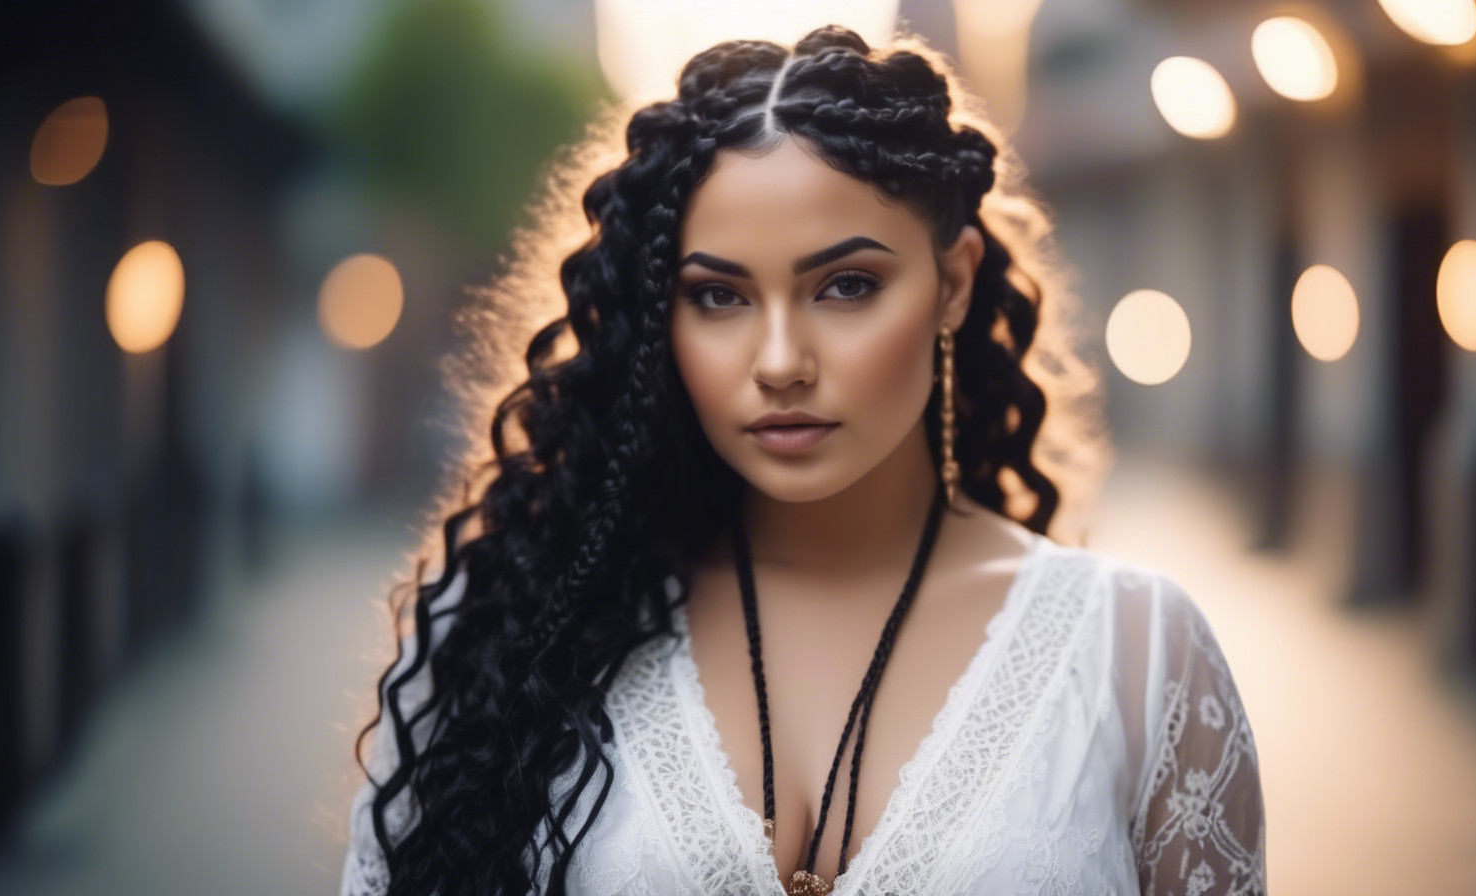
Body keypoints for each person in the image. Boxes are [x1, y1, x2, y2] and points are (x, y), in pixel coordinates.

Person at [338, 24, 1267, 896]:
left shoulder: (1138, 656)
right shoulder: (508, 629)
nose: (780, 361)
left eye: (847, 286)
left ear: (951, 284)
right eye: (718, 297)